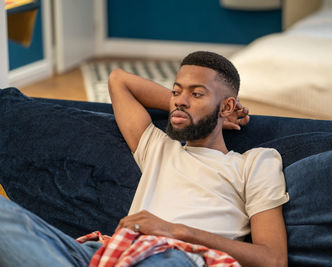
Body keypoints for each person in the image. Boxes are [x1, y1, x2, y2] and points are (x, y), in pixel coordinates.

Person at [0, 51, 289, 267]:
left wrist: (178, 231)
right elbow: (119, 80)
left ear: (227, 105)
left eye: (196, 93)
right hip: (110, 252)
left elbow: (273, 259)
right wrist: (191, 107)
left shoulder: (256, 162)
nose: (179, 100)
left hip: (178, 258)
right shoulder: (159, 147)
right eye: (177, 91)